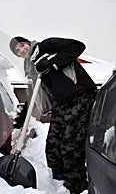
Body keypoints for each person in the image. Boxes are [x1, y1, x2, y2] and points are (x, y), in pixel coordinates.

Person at [9, 36, 97, 194]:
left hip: (80, 96)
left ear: (27, 43)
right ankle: (58, 183)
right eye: (18, 51)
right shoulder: (31, 68)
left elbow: (78, 46)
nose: (22, 50)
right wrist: (21, 119)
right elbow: (34, 94)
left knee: (70, 146)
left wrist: (53, 63)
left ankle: (77, 187)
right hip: (61, 105)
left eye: (22, 45)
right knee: (53, 146)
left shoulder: (46, 46)